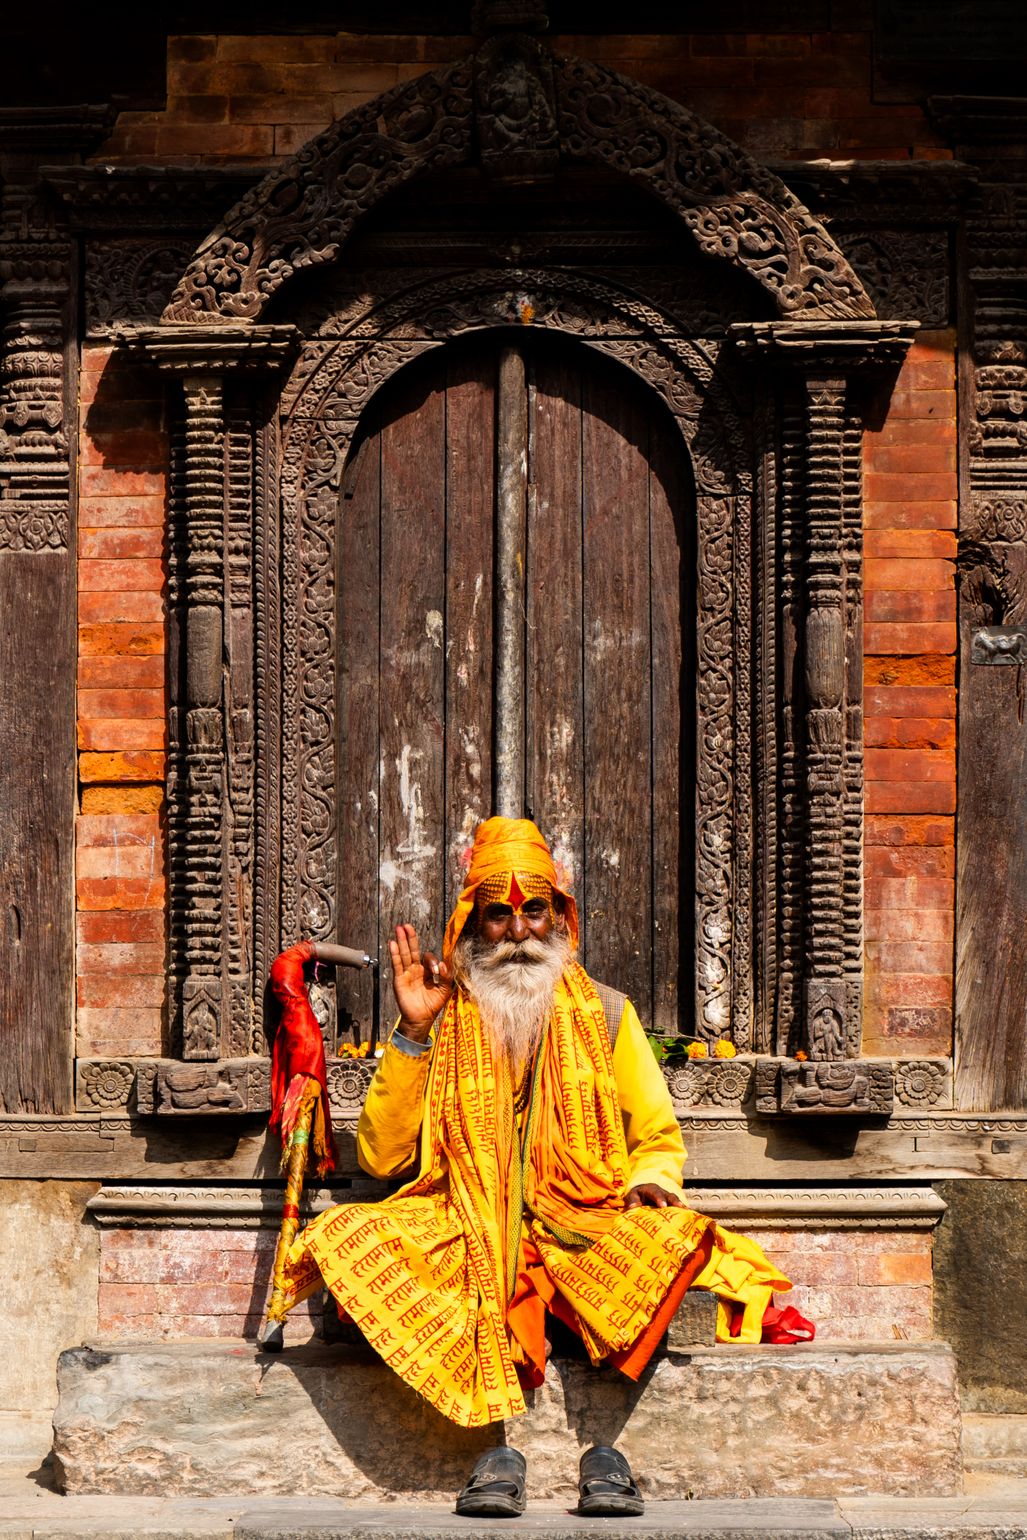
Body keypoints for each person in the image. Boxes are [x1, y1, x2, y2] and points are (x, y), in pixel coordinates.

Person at [278, 816, 793, 1517]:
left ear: (558, 918)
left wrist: (651, 1183)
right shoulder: (442, 1014)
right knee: (347, 1237)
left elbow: (655, 1133)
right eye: (498, 914)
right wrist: (413, 1033)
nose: (517, 930)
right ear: (472, 924)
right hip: (460, 1218)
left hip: (581, 1222)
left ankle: (602, 1453)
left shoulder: (608, 1012)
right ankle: (497, 1449)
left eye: (532, 910)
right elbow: (381, 1157)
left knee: (670, 1239)